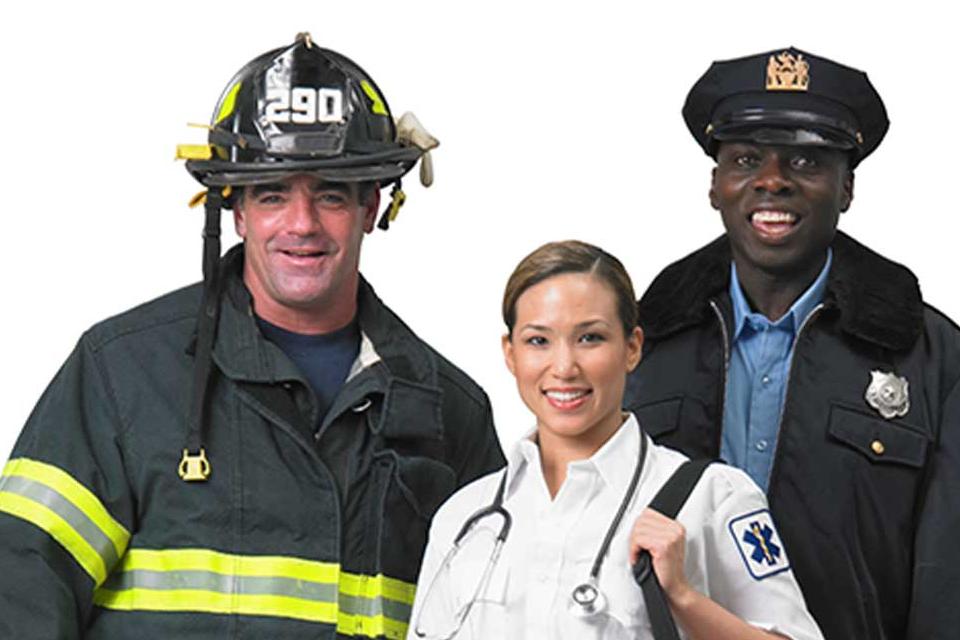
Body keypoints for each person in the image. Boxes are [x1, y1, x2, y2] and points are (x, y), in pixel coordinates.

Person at [0, 33, 504, 639]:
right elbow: (21, 583)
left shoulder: (449, 412)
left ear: (372, 206)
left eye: (331, 194)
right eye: (272, 194)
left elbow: (502, 614)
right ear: (236, 210)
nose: (302, 223)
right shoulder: (124, 375)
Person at [623, 47, 960, 639]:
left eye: (806, 161)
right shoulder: (640, 346)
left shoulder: (933, 356)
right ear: (715, 185)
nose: (772, 181)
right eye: (746, 159)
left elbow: (948, 579)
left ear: (847, 187)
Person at [409, 240, 822, 639]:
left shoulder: (713, 499)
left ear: (632, 347)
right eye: (538, 341)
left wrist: (682, 596)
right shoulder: (464, 518)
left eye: (590, 337)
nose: (564, 367)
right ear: (510, 354)